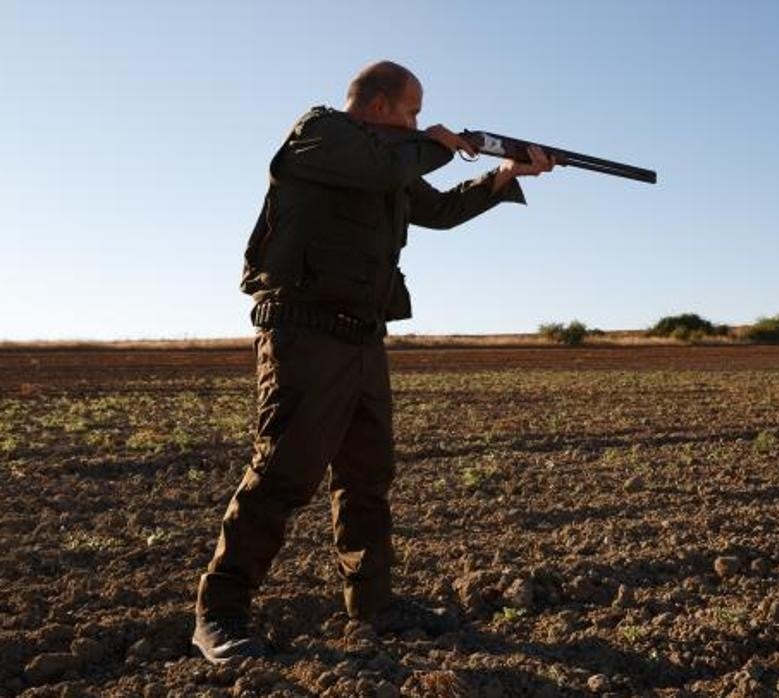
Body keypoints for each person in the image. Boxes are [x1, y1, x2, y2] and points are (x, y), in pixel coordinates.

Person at [192, 60, 556, 663]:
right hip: (303, 331)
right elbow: (383, 165)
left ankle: (375, 605)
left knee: (367, 476)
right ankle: (220, 612)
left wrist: (504, 173)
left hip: (363, 335)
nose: (419, 120)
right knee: (284, 470)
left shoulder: (391, 162)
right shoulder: (321, 134)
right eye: (412, 111)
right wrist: (434, 143)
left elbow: (434, 211)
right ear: (382, 106)